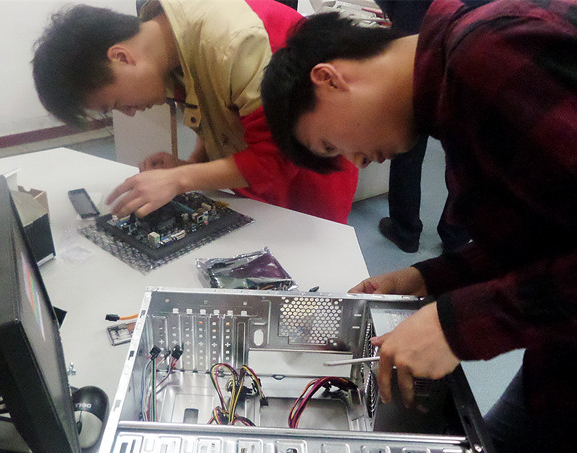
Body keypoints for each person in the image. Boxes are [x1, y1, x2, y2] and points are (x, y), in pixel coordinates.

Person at [261, 0, 577, 450]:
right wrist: (428, 278)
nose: (355, 162)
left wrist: (457, 326)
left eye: (330, 145)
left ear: (329, 79)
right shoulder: (457, 81)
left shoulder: (486, 57)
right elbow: (543, 240)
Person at [32, 0, 358, 224]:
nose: (128, 113)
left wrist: (179, 179)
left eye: (115, 104)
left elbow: (277, 159)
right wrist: (191, 165)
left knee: (312, 271)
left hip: (312, 166)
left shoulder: (231, 42)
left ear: (121, 57)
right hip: (258, 170)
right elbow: (219, 113)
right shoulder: (171, 44)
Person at [375, 0, 469, 253]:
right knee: (466, 147)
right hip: (473, 36)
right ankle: (456, 234)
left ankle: (405, 229)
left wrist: (393, 13)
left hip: (417, 28)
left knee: (409, 138)